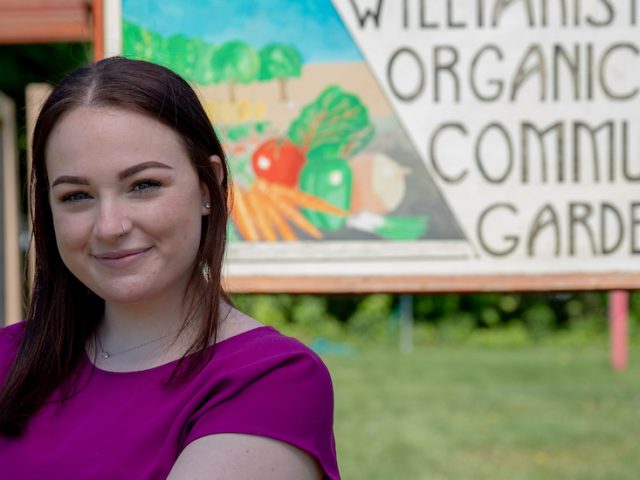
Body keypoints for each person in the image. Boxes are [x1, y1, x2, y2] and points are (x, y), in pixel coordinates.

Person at [0, 56, 340, 479]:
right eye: (76, 196)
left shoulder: (271, 381)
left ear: (207, 187)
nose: (109, 226)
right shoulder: (7, 360)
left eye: (143, 186)